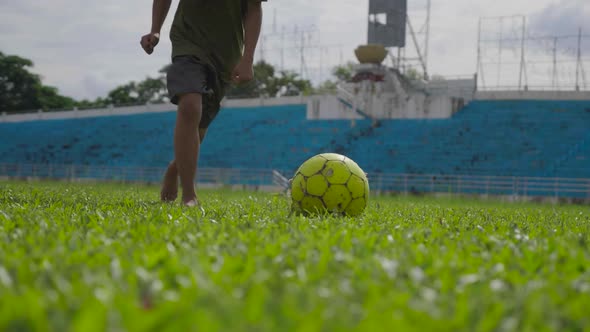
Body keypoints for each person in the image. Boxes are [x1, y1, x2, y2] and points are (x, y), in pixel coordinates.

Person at [140, 0, 266, 207]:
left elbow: (253, 9)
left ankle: (175, 168)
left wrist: (248, 59)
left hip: (225, 56)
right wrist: (155, 30)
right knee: (189, 105)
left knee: (200, 128)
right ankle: (189, 195)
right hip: (187, 41)